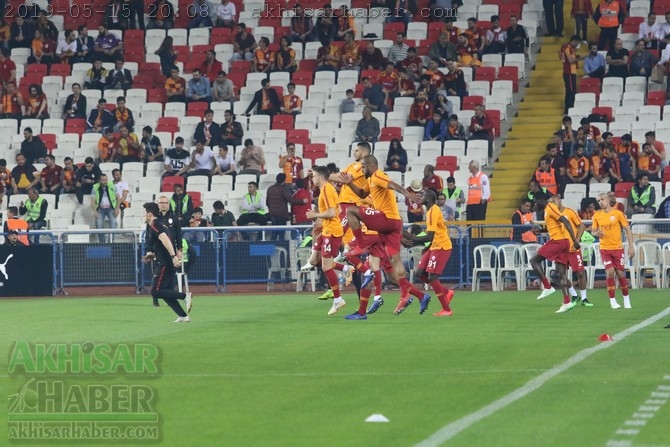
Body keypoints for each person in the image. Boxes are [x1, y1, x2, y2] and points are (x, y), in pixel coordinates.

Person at [339, 149, 428, 315]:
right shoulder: (369, 181)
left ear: (371, 166)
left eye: (364, 167)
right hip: (390, 226)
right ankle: (419, 296)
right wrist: (349, 182)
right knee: (393, 272)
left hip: (386, 219)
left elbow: (392, 184)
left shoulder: (378, 175)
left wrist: (407, 194)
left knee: (351, 211)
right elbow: (361, 192)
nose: (362, 170)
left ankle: (371, 299)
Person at [401, 190, 455, 317]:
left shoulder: (433, 211)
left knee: (432, 278)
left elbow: (430, 236)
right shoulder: (430, 211)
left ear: (429, 198)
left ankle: (446, 309)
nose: (421, 197)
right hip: (434, 246)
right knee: (420, 273)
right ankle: (446, 292)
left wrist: (411, 237)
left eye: (423, 195)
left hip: (441, 246)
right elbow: (433, 234)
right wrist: (428, 248)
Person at [304, 166, 346, 315]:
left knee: (326, 267)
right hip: (327, 230)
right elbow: (338, 210)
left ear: (321, 177)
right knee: (315, 261)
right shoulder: (326, 189)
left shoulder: (327, 189)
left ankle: (337, 299)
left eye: (314, 176)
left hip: (332, 231)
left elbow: (331, 212)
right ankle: (346, 269)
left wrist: (315, 215)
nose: (312, 179)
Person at [141, 202, 192, 322]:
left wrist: (173, 256)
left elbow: (165, 239)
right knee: (164, 291)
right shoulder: (155, 224)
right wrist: (152, 254)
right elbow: (161, 244)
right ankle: (183, 316)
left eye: (143, 212)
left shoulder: (155, 224)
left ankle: (185, 296)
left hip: (166, 262)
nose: (142, 215)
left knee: (155, 291)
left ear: (149, 214)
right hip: (165, 260)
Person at [530, 195, 581, 313]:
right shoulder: (547, 210)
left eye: (536, 204)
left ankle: (547, 287)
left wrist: (575, 240)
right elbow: (557, 226)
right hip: (563, 242)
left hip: (558, 242)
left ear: (541, 201)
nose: (535, 207)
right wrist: (541, 231)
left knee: (533, 260)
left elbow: (566, 222)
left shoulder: (550, 207)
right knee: (561, 273)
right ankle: (567, 302)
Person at [591, 192, 634, 309]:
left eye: (602, 199)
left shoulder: (618, 214)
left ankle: (626, 299)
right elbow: (593, 231)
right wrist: (596, 233)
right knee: (609, 272)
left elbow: (627, 229)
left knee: (620, 273)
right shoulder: (597, 215)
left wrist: (631, 246)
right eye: (598, 200)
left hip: (617, 248)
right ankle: (612, 300)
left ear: (608, 200)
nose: (600, 202)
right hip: (604, 248)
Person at [561, 202, 592, 306]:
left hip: (573, 248)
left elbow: (581, 226)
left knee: (580, 273)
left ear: (558, 201)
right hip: (560, 249)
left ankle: (584, 298)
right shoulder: (551, 214)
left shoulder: (569, 212)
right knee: (561, 274)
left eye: (553, 202)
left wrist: (577, 240)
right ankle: (574, 295)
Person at [155, 195, 182, 306]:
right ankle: (155, 297)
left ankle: (170, 297)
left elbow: (178, 235)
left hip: (172, 252)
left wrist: (179, 250)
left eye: (165, 203)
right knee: (156, 274)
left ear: (169, 204)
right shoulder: (155, 219)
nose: (163, 205)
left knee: (171, 275)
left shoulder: (174, 218)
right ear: (158, 205)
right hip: (159, 251)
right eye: (161, 203)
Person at [91, 173, 119, 243]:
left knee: (113, 223)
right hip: (100, 209)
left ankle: (111, 241)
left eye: (106, 180)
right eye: (103, 180)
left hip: (110, 208)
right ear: (99, 181)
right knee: (99, 224)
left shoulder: (112, 186)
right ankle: (102, 242)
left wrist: (117, 209)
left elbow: (118, 198)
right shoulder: (95, 188)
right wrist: (95, 212)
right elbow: (92, 201)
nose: (105, 181)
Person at [560, 35, 582, 115]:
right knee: (571, 91)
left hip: (568, 72)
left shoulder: (565, 47)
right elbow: (570, 61)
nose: (577, 45)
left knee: (569, 91)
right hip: (569, 72)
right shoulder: (568, 47)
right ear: (574, 41)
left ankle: (567, 109)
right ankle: (569, 109)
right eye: (577, 43)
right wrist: (579, 58)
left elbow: (562, 58)